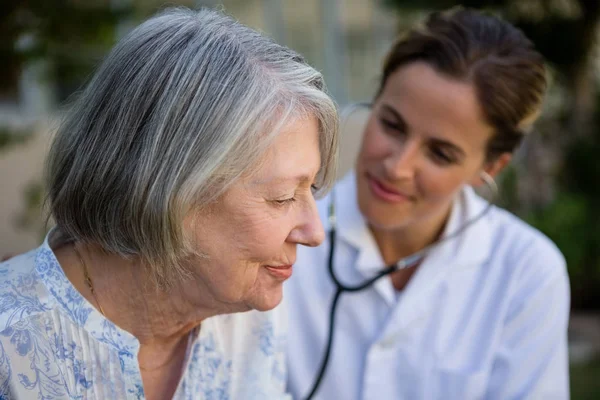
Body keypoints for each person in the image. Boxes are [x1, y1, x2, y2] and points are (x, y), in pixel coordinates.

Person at [0, 7, 338, 399]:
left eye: (310, 189)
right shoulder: (12, 344)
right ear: (168, 191)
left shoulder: (251, 318)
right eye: (281, 198)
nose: (315, 233)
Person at [285, 8, 570, 400]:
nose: (397, 167)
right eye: (392, 125)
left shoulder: (526, 272)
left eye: (440, 154)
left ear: (490, 167)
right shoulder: (281, 241)